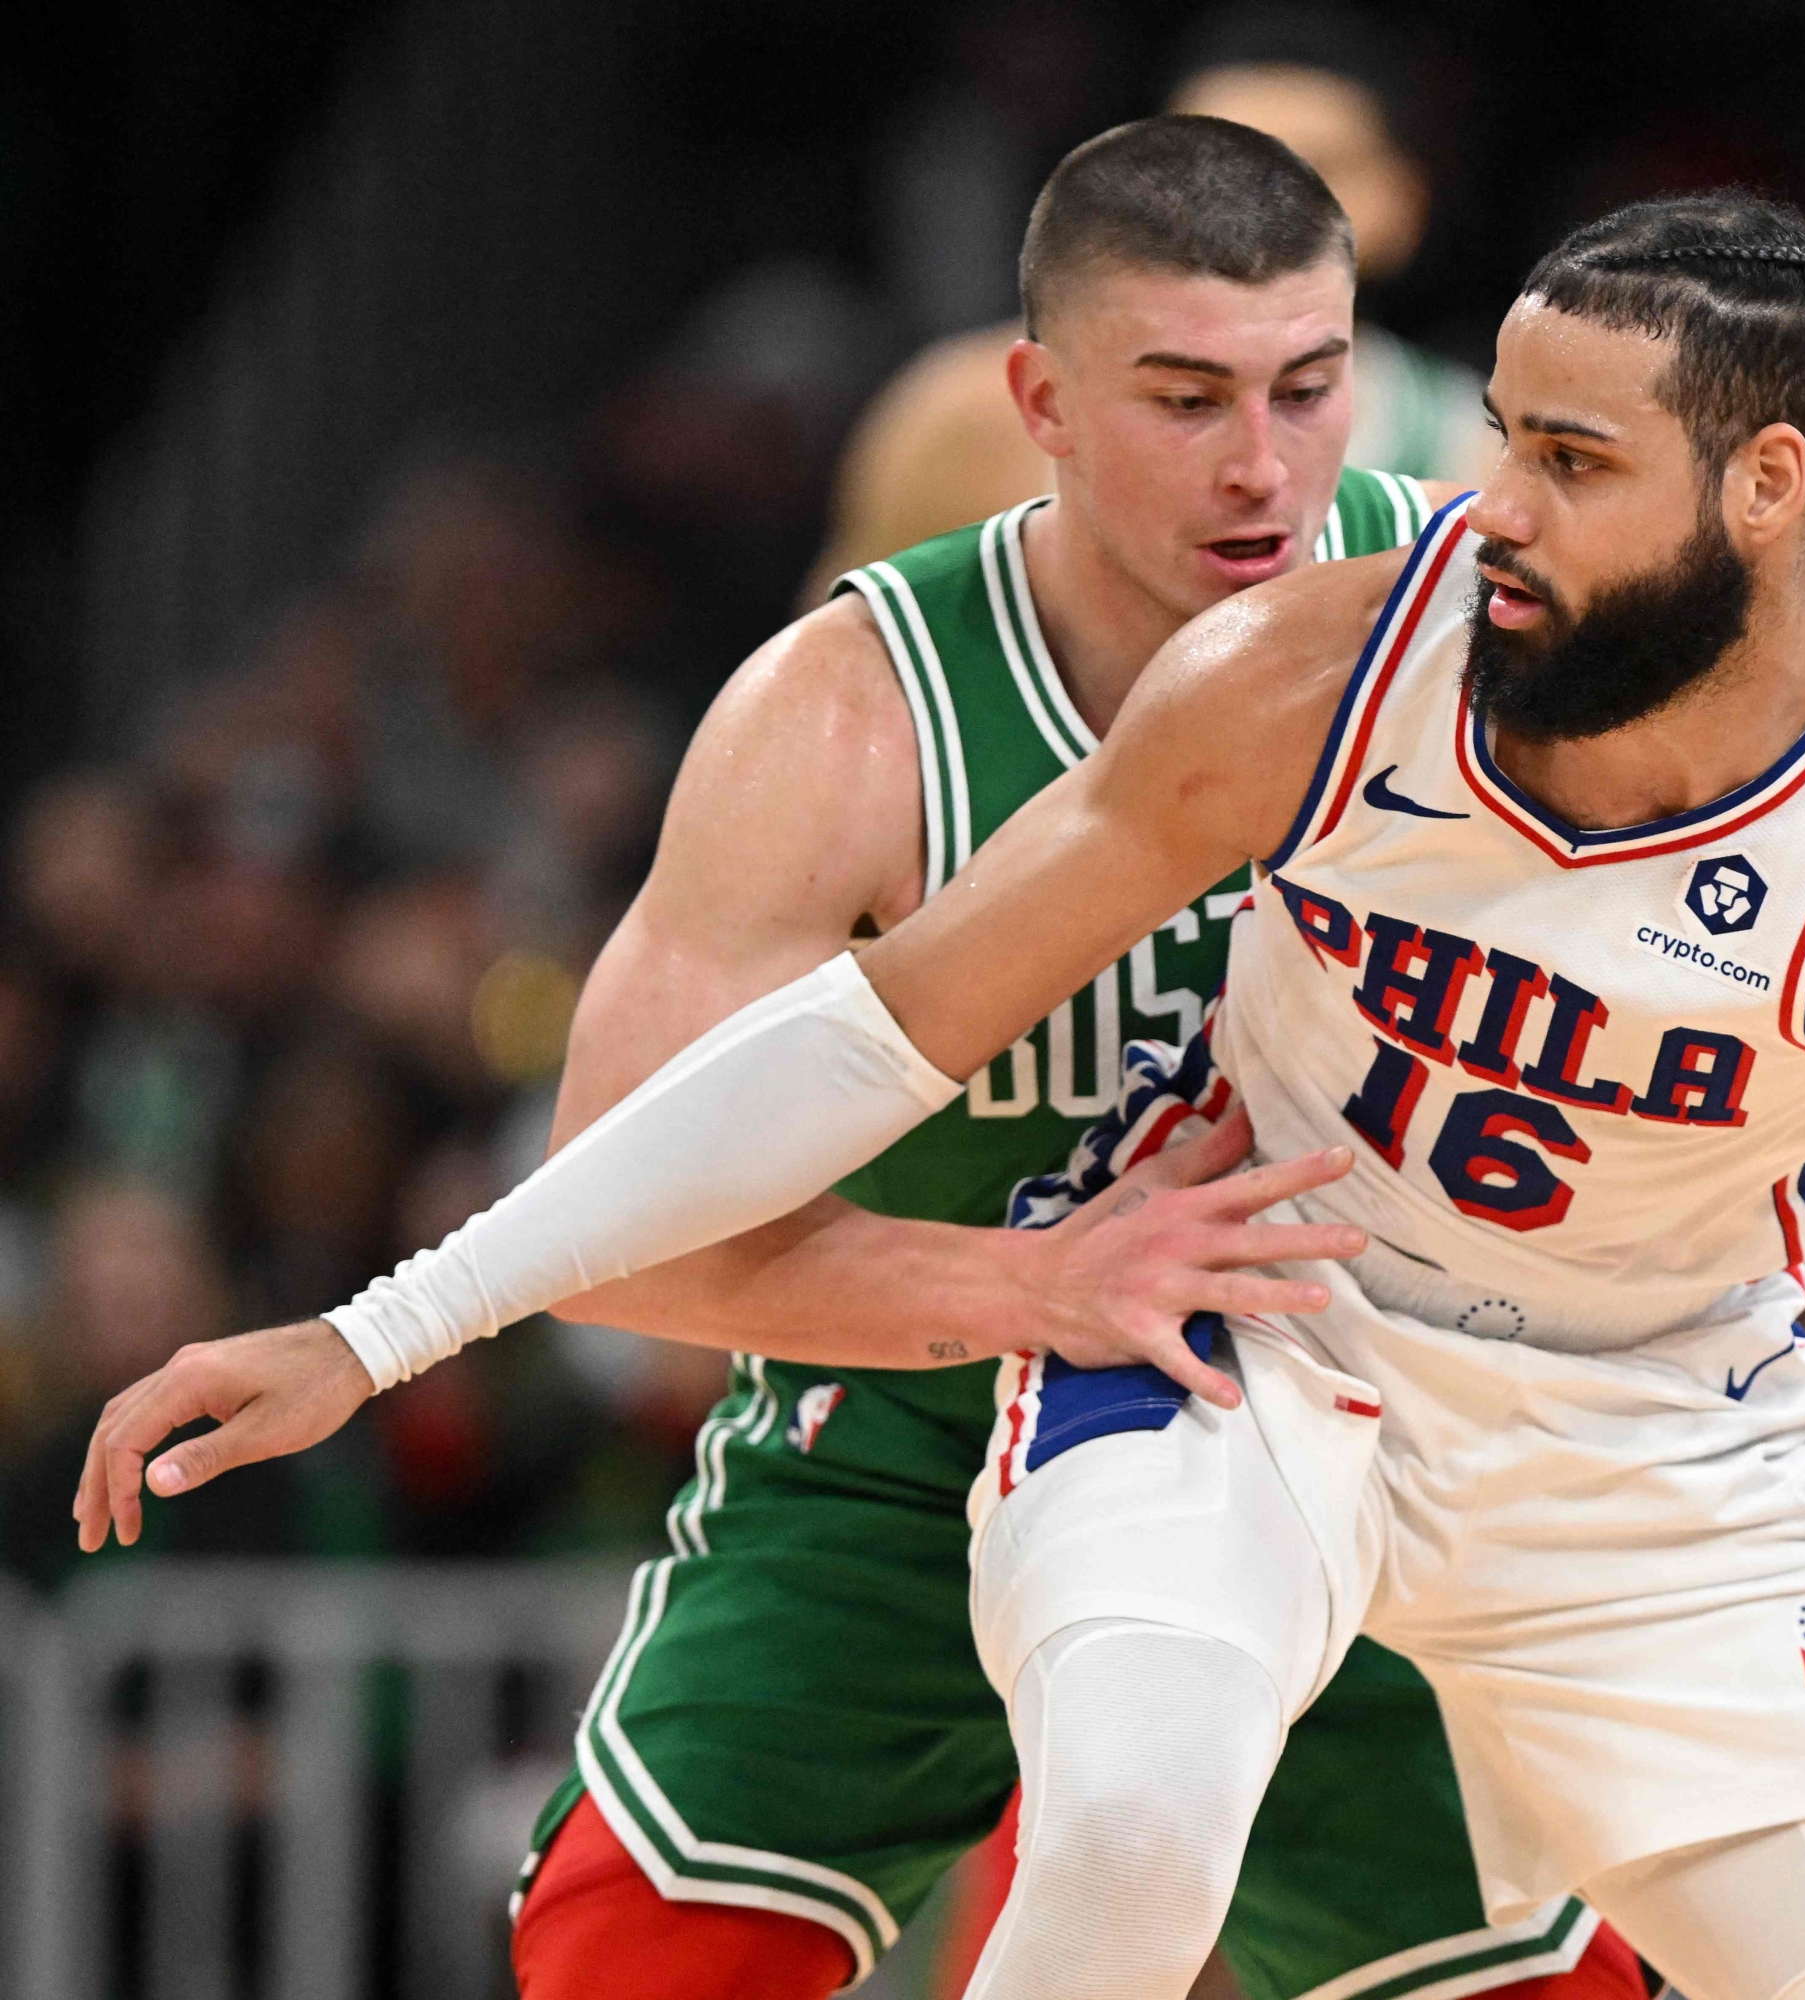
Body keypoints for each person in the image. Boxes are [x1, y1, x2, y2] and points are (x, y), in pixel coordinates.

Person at [79, 194, 1805, 2000]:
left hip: (1658, 1462)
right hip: (1247, 1341)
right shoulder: (1324, 662)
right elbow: (862, 1039)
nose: (1477, 507)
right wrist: (383, 1320)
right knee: (1140, 1821)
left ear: (1772, 488)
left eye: (1562, 458)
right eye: (1495, 441)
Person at [88, 116, 1629, 2000]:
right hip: (906, 1440)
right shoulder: (849, 714)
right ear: (1039, 401)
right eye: (1184, 398)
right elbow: (623, 1227)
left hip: (1363, 1438)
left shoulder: (1493, 621)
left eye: (1310, 389)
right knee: (621, 1966)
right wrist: (1030, 1283)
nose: (1261, 466)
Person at [814, 4, 1486, 590]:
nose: (1264, 206)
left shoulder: (1484, 452)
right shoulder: (968, 417)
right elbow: (847, 692)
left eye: (1316, 166)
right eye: (1220, 163)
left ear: (1404, 200)